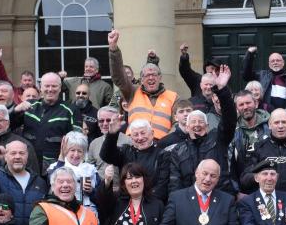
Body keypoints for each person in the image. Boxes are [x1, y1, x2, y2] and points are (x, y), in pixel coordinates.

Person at [162, 66, 237, 194]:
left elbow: (229, 119)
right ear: (186, 127)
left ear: (207, 126)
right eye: (193, 122)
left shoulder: (218, 139)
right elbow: (175, 183)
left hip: (219, 198)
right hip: (190, 203)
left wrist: (222, 90)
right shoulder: (178, 151)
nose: (197, 124)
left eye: (201, 121)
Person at [109, 30, 179, 139]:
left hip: (161, 146)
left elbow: (177, 123)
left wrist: (167, 141)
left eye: (154, 75)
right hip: (134, 143)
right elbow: (118, 76)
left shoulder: (173, 96)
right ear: (141, 79)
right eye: (147, 75)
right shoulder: (132, 92)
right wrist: (113, 49)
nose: (151, 78)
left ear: (160, 77)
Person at [12, 72, 81, 172]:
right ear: (40, 87)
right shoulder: (30, 106)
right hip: (28, 164)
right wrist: (15, 111)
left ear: (60, 88)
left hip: (57, 166)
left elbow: (78, 142)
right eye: (47, 86)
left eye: (54, 86)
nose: (50, 89)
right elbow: (8, 127)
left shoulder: (70, 110)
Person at [238, 108, 286, 196]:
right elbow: (244, 180)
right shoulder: (256, 148)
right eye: (276, 122)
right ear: (269, 125)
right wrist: (260, 176)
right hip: (263, 203)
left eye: (284, 122)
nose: (280, 126)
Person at [99, 117, 170, 202]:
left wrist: (143, 202)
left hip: (152, 203)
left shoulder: (163, 154)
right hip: (126, 202)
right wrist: (112, 134)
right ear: (131, 138)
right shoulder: (126, 151)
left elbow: (162, 186)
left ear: (152, 133)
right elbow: (106, 155)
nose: (140, 138)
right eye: (135, 135)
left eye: (143, 133)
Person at [0, 140, 48, 224]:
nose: (17, 156)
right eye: (13, 153)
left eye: (21, 153)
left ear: (27, 156)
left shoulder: (39, 182)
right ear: (5, 157)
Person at [46, 131, 99, 209]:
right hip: (62, 210)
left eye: (80, 151)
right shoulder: (56, 166)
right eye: (72, 150)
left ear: (84, 152)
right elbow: (51, 183)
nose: (76, 154)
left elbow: (100, 198)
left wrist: (91, 191)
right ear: (66, 150)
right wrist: (61, 158)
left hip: (87, 212)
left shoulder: (91, 169)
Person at [242, 46, 286, 111]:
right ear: (269, 64)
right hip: (266, 115)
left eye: (278, 60)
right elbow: (246, 75)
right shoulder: (262, 75)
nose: (275, 62)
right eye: (272, 61)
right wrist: (250, 54)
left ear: (283, 63)